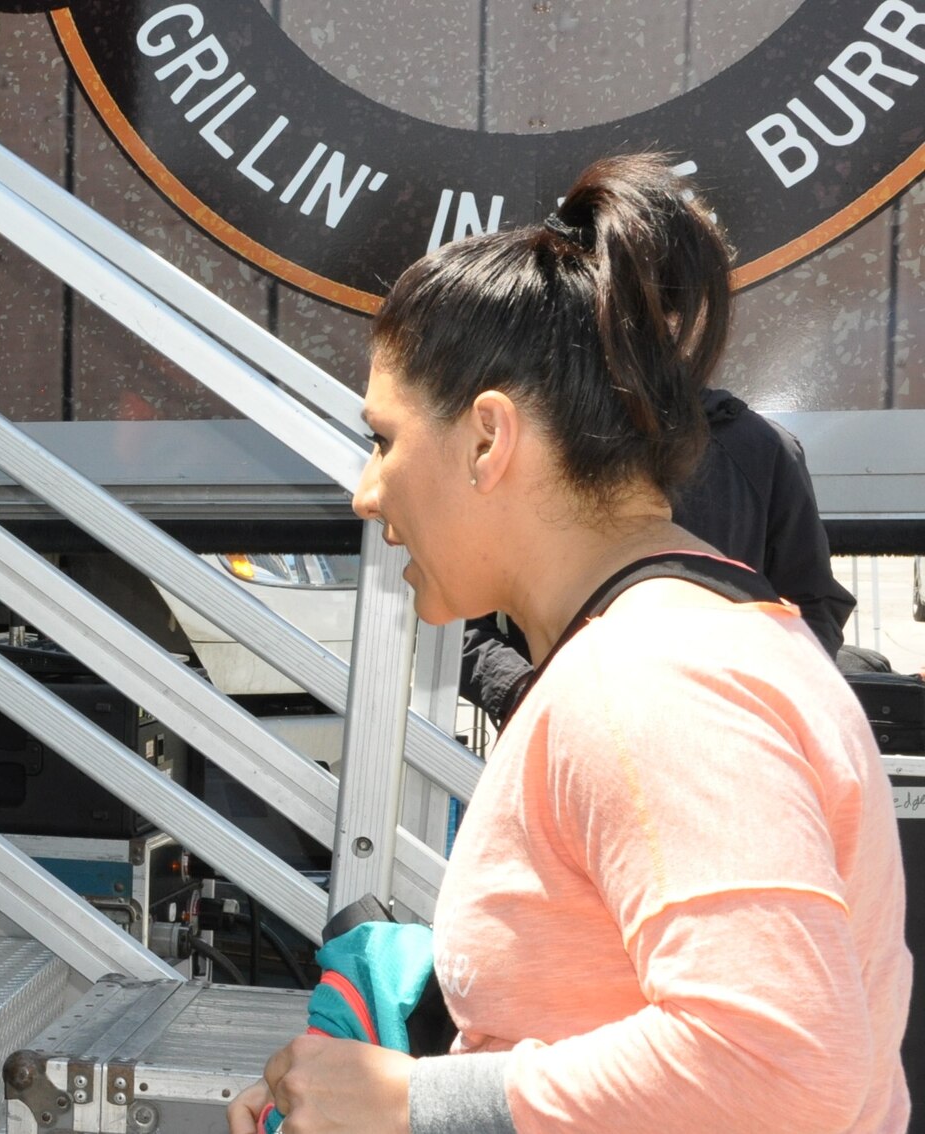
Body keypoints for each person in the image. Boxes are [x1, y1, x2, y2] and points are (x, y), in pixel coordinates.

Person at [230, 155, 909, 1132]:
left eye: (383, 439)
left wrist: (415, 1103)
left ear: (486, 440)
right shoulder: (683, 642)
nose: (365, 492)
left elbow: (779, 1069)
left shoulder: (652, 682)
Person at [463, 387, 857, 725]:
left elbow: (815, 605)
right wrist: (528, 694)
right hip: (566, 749)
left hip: (721, 747)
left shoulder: (761, 449)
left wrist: (760, 708)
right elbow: (462, 626)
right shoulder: (542, 439)